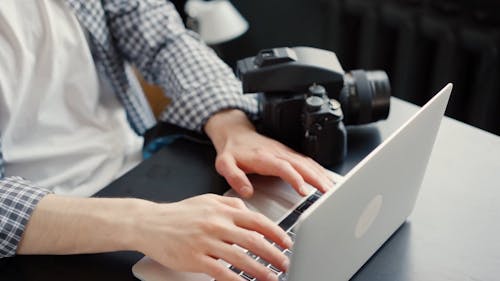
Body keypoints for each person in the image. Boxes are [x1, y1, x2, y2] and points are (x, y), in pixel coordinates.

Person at [0, 1, 333, 280]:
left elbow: (160, 35)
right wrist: (142, 222)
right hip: (42, 235)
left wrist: (233, 126)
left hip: (138, 177)